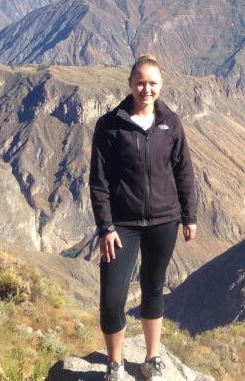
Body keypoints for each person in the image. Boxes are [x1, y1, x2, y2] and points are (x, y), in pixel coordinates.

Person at [89, 54, 198, 381]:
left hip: (164, 221)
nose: (146, 89)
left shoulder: (171, 122)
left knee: (153, 288)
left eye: (152, 83)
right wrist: (105, 227)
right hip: (122, 225)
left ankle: (152, 360)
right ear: (130, 84)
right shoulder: (110, 126)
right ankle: (115, 363)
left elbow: (184, 172)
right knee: (111, 298)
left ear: (160, 85)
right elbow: (99, 181)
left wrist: (189, 216)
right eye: (140, 82)